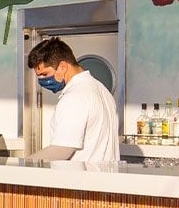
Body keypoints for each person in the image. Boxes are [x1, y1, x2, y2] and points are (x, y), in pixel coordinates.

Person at [28, 36, 119, 166]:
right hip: (104, 179)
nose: (42, 80)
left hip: (80, 181)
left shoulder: (75, 97)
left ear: (63, 66)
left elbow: (61, 151)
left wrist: (23, 164)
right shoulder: (101, 89)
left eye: (44, 74)